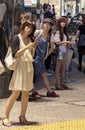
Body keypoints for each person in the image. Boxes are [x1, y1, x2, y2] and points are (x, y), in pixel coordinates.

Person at [1, 20, 38, 127]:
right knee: (16, 92)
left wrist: (33, 48)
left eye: (31, 28)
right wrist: (28, 46)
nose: (29, 29)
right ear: (23, 27)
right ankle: (5, 116)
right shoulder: (17, 38)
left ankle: (22, 116)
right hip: (19, 67)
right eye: (27, 27)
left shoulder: (31, 39)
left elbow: (32, 55)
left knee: (26, 93)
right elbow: (15, 53)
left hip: (28, 67)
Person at [32, 18, 60, 98]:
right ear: (42, 25)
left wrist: (46, 55)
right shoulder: (37, 33)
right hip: (35, 57)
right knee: (37, 75)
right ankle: (36, 91)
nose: (47, 25)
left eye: (49, 24)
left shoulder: (50, 35)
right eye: (45, 24)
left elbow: (52, 47)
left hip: (41, 59)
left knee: (42, 74)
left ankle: (47, 91)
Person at [54, 17, 71, 90]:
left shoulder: (64, 32)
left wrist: (68, 43)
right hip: (60, 51)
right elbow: (57, 42)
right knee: (58, 68)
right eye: (62, 22)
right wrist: (66, 42)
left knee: (64, 68)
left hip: (64, 50)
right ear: (59, 23)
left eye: (64, 22)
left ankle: (62, 83)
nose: (63, 23)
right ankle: (57, 84)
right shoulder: (58, 32)